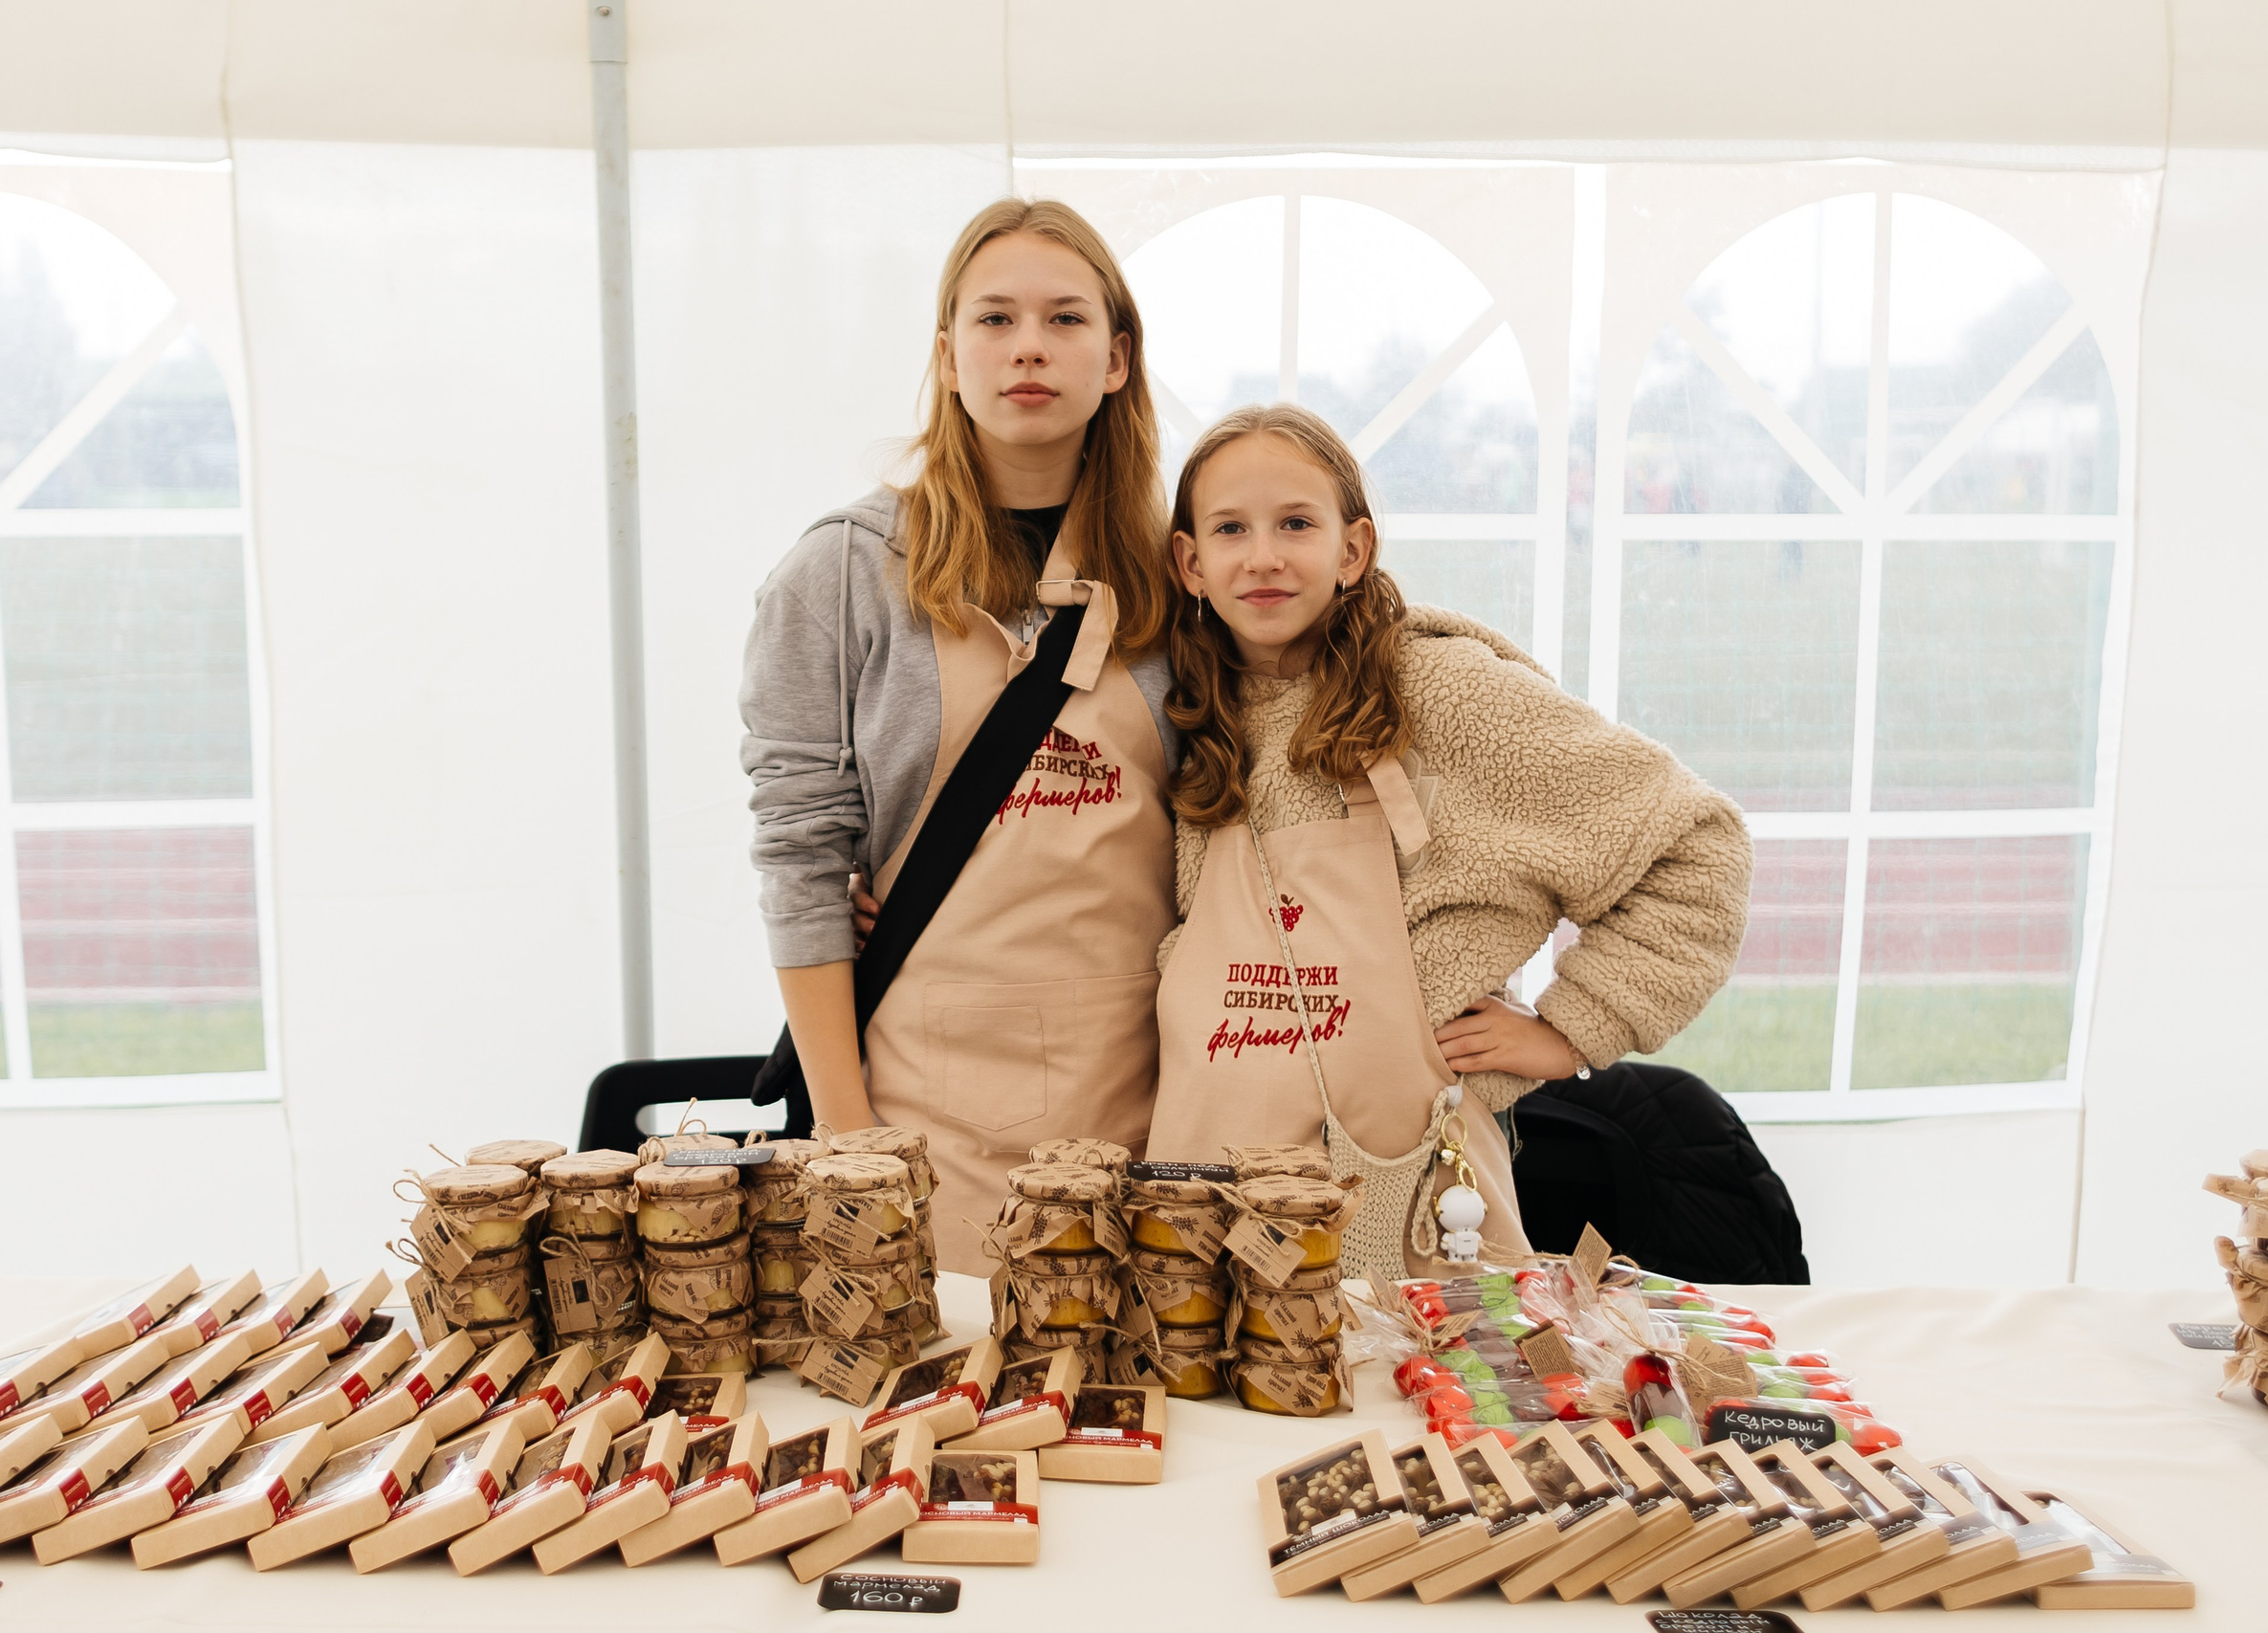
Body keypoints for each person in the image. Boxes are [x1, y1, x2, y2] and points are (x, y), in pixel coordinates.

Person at [1147, 404, 1752, 1271]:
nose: (1265, 555)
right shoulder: (1195, 711)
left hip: (1401, 1207)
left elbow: (1699, 844)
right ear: (1191, 561)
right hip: (1206, 1206)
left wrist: (1570, 1029)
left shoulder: (1442, 691)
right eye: (1231, 528)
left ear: (1353, 549)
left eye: (1296, 524)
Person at [739, 200, 1176, 1273]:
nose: (1028, 344)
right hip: (914, 1113)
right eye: (994, 319)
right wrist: (851, 1138)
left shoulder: (1185, 578)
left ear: (1117, 359)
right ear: (946, 355)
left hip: (1147, 1106)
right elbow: (801, 861)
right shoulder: (837, 575)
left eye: (1066, 319)